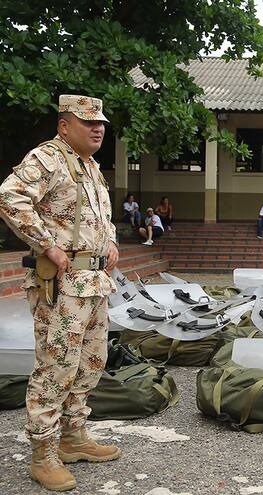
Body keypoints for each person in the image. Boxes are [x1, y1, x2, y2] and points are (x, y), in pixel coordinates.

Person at [0, 95, 122, 492]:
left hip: (93, 283)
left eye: (100, 123)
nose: (97, 128)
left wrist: (112, 242)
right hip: (63, 286)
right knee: (55, 368)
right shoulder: (48, 158)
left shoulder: (89, 166)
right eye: (87, 123)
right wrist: (46, 242)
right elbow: (9, 196)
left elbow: (97, 217)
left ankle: (73, 438)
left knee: (90, 363)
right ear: (64, 124)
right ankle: (43, 455)